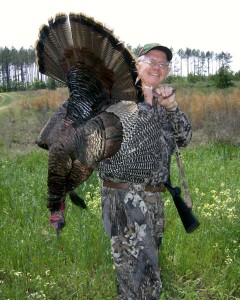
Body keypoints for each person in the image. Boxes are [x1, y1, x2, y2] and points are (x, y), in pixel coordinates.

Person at [98, 43, 192, 299]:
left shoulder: (162, 103)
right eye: (150, 60)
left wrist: (171, 107)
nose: (157, 67)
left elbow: (184, 139)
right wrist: (148, 104)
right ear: (136, 65)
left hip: (154, 198)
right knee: (137, 280)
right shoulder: (117, 99)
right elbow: (134, 148)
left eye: (163, 64)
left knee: (146, 276)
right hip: (124, 199)